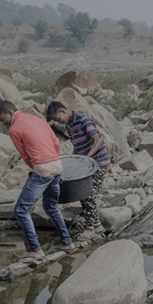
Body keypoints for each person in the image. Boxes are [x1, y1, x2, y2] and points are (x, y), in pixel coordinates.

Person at [0, 100, 74, 260]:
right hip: (57, 166)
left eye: (3, 119)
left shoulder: (14, 129)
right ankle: (67, 242)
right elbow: (56, 142)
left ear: (9, 112)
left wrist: (38, 167)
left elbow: (25, 155)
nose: (3, 123)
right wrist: (53, 160)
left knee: (21, 209)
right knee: (51, 207)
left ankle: (36, 250)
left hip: (43, 169)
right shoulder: (37, 119)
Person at [46, 101, 111, 241]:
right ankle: (98, 226)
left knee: (89, 194)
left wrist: (86, 159)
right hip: (85, 166)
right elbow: (77, 147)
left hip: (99, 162)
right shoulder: (69, 126)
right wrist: (74, 161)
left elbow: (97, 140)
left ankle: (89, 229)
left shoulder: (83, 120)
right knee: (82, 193)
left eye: (58, 119)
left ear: (63, 111)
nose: (59, 123)